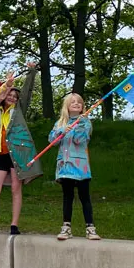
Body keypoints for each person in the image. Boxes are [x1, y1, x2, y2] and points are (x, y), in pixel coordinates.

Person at [0, 62, 43, 241]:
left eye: (15, 96)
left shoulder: (19, 110)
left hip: (17, 155)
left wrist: (31, 71)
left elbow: (27, 91)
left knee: (15, 187)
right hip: (0, 155)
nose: (12, 98)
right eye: (10, 95)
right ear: (4, 96)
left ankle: (14, 225)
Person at [49, 93, 101, 241]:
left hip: (81, 166)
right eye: (73, 102)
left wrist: (78, 126)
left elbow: (79, 140)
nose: (77, 104)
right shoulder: (60, 123)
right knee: (68, 197)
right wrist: (61, 131)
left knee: (85, 197)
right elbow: (52, 140)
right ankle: (66, 227)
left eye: (79, 102)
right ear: (67, 106)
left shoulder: (85, 123)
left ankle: (90, 228)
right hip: (65, 166)